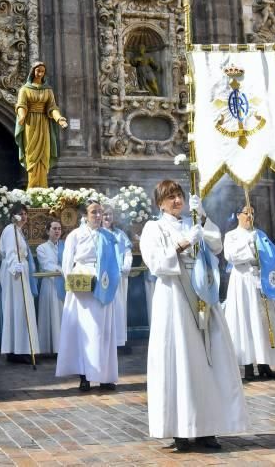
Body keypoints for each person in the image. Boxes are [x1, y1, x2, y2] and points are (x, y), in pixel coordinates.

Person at [140, 180, 247, 451]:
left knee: (207, 359)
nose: (177, 201)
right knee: (181, 360)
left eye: (179, 195)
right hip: (175, 296)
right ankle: (180, 428)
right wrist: (183, 244)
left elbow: (216, 245)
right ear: (159, 202)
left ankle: (206, 428)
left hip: (203, 294)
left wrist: (205, 217)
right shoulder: (154, 227)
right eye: (170, 197)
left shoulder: (194, 220)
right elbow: (155, 263)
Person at [55, 200, 125, 391]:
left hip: (103, 285)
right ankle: (85, 374)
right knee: (85, 332)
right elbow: (67, 263)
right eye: (94, 212)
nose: (98, 216)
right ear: (85, 216)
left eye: (100, 212)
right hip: (83, 289)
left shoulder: (108, 236)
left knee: (104, 332)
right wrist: (74, 282)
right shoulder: (75, 235)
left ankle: (105, 376)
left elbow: (114, 262)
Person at [223, 205, 275, 380]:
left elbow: (273, 255)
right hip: (243, 281)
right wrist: (248, 244)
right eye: (247, 213)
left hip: (262, 281)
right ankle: (247, 365)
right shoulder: (231, 236)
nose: (250, 217)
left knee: (263, 321)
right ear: (238, 215)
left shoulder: (260, 234)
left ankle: (264, 363)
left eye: (253, 213)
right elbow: (230, 256)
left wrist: (266, 262)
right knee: (246, 320)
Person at [14, 61, 69, 189]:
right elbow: (21, 105)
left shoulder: (48, 90)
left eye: (42, 71)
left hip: (44, 124)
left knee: (44, 154)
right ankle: (32, 188)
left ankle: (43, 188)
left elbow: (52, 107)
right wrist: (21, 116)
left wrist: (59, 119)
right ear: (33, 71)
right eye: (38, 70)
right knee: (32, 155)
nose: (40, 73)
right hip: (30, 124)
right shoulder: (25, 89)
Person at [0, 203, 40, 363]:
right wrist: (15, 266)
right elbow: (10, 252)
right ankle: (16, 350)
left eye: (25, 214)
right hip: (14, 272)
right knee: (17, 307)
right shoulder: (10, 230)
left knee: (22, 308)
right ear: (13, 215)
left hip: (20, 268)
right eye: (20, 214)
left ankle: (20, 348)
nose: (24, 217)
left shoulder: (18, 231)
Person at [102, 205, 133, 349]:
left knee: (120, 307)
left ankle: (119, 340)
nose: (107, 217)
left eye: (109, 214)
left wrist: (127, 265)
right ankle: (105, 340)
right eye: (104, 214)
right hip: (103, 278)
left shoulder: (120, 234)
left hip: (119, 276)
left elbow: (127, 252)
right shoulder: (97, 233)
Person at [36, 219, 64, 354]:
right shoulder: (41, 248)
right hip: (50, 285)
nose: (57, 231)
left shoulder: (65, 246)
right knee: (52, 313)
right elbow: (46, 264)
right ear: (48, 231)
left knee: (63, 315)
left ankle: (64, 348)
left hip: (64, 284)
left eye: (59, 228)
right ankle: (52, 348)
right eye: (54, 228)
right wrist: (61, 270)